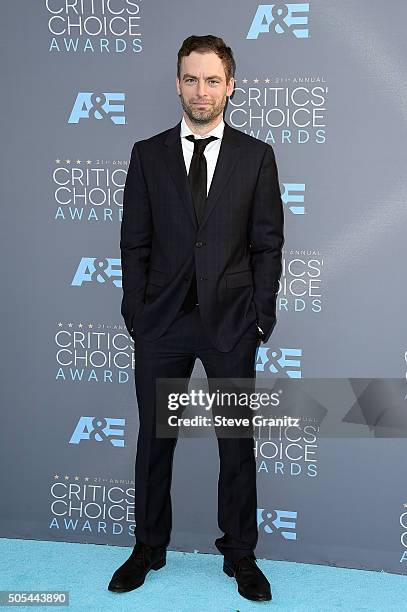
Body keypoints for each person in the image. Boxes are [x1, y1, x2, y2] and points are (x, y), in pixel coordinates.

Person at [108, 34, 284, 602]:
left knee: (236, 444)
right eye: (191, 78)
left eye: (212, 80)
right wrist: (137, 313)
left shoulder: (256, 156)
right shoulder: (147, 154)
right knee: (155, 441)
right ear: (177, 83)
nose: (201, 91)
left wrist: (260, 316)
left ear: (230, 85)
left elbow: (267, 245)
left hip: (231, 323)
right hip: (161, 323)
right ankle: (147, 547)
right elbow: (133, 243)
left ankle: (241, 555)